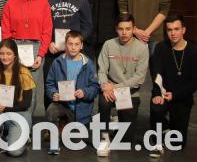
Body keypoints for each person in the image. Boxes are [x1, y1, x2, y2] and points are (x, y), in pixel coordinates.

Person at [1, 0, 52, 116]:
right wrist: (10, 53)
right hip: (15, 46)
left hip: (35, 48)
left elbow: (47, 32)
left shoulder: (43, 3)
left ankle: (26, 128)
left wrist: (41, 55)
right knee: (13, 86)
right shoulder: (10, 3)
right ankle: (11, 124)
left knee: (31, 89)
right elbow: (6, 31)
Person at [95, 14, 148, 157]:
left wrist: (115, 87)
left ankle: (118, 121)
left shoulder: (142, 48)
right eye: (121, 29)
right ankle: (104, 137)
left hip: (130, 93)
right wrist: (105, 85)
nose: (124, 33)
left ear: (134, 29)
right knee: (103, 103)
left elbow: (139, 79)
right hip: (109, 90)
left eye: (128, 29)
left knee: (126, 141)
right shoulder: (108, 44)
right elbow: (101, 70)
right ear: (116, 29)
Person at [148, 15, 197, 157]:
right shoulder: (161, 48)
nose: (173, 33)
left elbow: (195, 82)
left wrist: (175, 95)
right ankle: (160, 132)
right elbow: (157, 74)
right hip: (163, 92)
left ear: (184, 30)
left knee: (177, 144)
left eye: (176, 29)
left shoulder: (194, 51)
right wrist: (157, 93)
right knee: (156, 108)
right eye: (169, 30)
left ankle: (169, 128)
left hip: (182, 96)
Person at [44, 31, 99, 155]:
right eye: (70, 44)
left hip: (81, 109)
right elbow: (49, 84)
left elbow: (95, 87)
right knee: (51, 110)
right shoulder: (57, 62)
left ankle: (67, 127)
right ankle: (54, 142)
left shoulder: (88, 64)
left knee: (75, 142)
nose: (73, 47)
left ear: (82, 46)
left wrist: (84, 92)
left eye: (76, 44)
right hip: (63, 105)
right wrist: (53, 94)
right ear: (65, 45)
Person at [0, 39, 36, 157]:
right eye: (1, 54)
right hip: (1, 113)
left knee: (15, 152)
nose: (4, 57)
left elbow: (26, 103)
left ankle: (19, 135)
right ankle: (4, 134)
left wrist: (5, 108)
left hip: (20, 113)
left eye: (8, 54)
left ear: (15, 55)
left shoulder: (24, 73)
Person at [44, 0, 93, 82]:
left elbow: (87, 26)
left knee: (73, 86)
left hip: (73, 51)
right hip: (53, 51)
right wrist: (49, 43)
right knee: (52, 87)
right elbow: (44, 25)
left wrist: (76, 43)